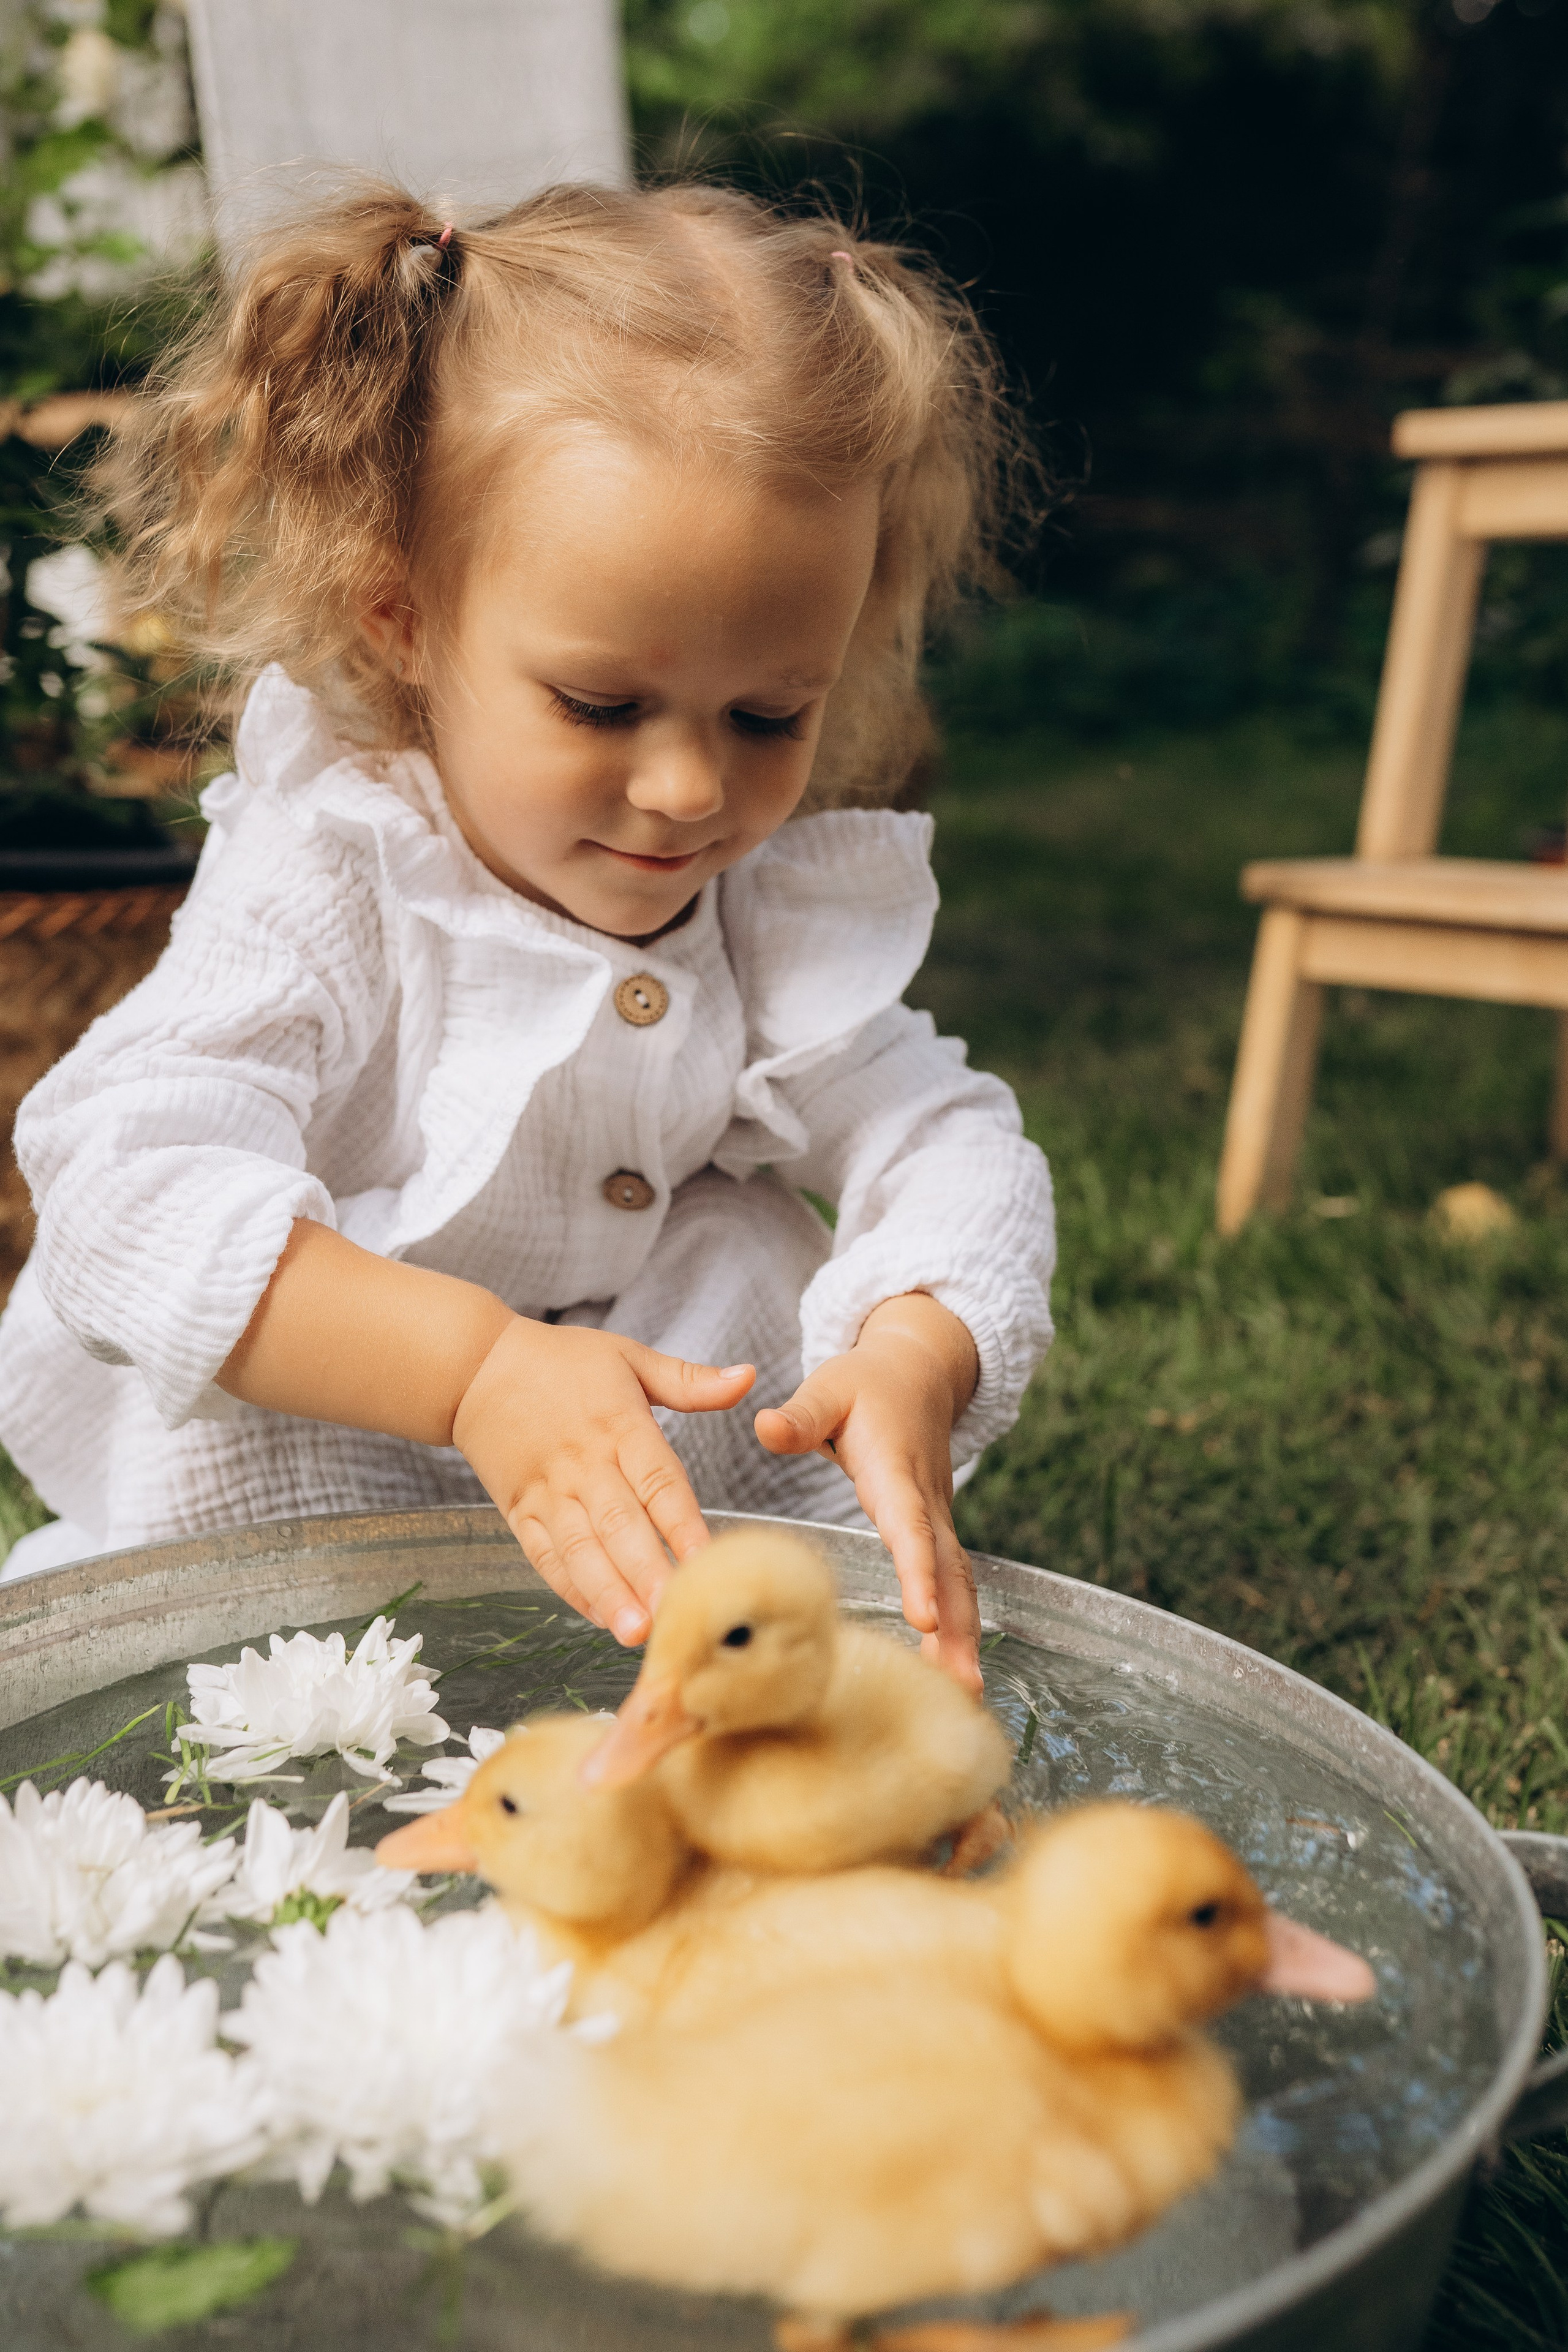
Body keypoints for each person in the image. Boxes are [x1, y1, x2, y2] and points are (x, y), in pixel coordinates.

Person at [0, 182, 1054, 1689]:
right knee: (242, 1617)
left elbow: (944, 1139)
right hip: (345, 1430)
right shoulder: (341, 868)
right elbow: (122, 1185)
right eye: (602, 706)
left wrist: (913, 1344)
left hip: (646, 1426)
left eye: (769, 714)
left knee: (769, 1379)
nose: (690, 787)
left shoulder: (762, 899)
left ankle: (654, 1642)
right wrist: (474, 1368)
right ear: (401, 623)